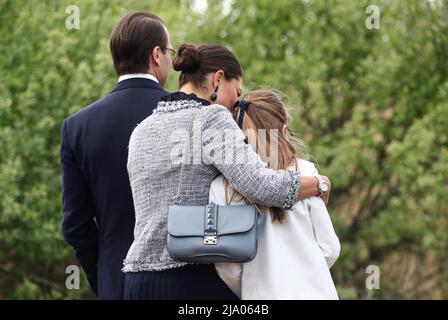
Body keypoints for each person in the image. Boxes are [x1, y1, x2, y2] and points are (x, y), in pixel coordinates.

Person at [122, 43, 331, 300]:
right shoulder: (212, 118)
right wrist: (319, 184)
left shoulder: (141, 129)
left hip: (137, 280)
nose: (236, 104)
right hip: (190, 277)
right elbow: (262, 187)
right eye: (237, 91)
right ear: (218, 79)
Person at [60, 11, 174, 299]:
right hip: (184, 281)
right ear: (157, 54)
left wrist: (105, 278)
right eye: (169, 51)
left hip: (116, 282)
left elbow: (75, 225)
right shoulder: (193, 116)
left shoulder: (77, 127)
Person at [210, 90, 340, 299]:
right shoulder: (306, 175)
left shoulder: (221, 187)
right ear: (285, 131)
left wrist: (254, 285)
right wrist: (305, 274)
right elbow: (330, 248)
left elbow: (227, 264)